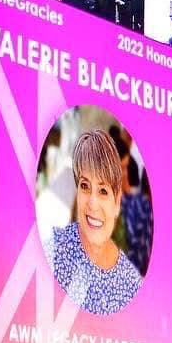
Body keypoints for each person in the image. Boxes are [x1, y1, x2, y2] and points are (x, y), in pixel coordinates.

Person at [48, 128, 142, 314]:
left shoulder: (132, 285)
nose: (92, 203)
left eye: (103, 191)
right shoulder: (54, 253)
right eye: (84, 186)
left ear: (117, 202)